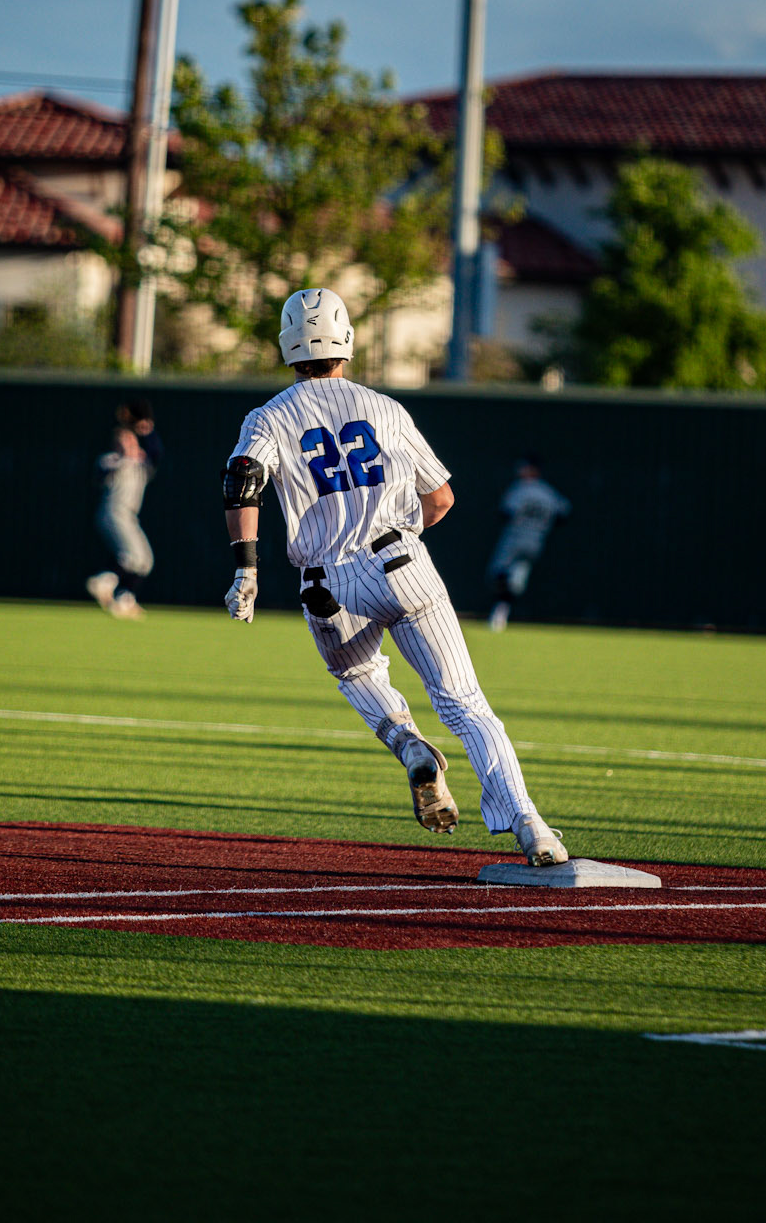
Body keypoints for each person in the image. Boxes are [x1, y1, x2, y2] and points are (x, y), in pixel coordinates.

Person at [220, 287, 569, 865]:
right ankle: (531, 825)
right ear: (347, 340)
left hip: (327, 583)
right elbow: (441, 497)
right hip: (402, 563)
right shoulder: (385, 408)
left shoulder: (269, 416)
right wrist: (402, 536)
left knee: (357, 673)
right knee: (465, 704)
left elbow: (242, 484)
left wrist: (246, 571)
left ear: (287, 346)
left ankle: (410, 746)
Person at [87, 398, 163, 621]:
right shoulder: (111, 460)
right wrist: (123, 456)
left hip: (128, 515)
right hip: (113, 512)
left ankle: (124, 599)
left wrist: (146, 429)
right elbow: (99, 474)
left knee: (144, 561)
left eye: (130, 440)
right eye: (123, 441)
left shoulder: (141, 464)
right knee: (132, 555)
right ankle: (105, 581)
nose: (127, 444)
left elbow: (156, 453)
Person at [487, 457, 571, 631]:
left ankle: (499, 612)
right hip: (536, 540)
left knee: (498, 574)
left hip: (515, 538)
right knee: (516, 579)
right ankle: (503, 611)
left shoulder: (521, 488)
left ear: (533, 470)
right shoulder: (547, 491)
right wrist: (543, 525)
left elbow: (506, 511)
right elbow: (564, 513)